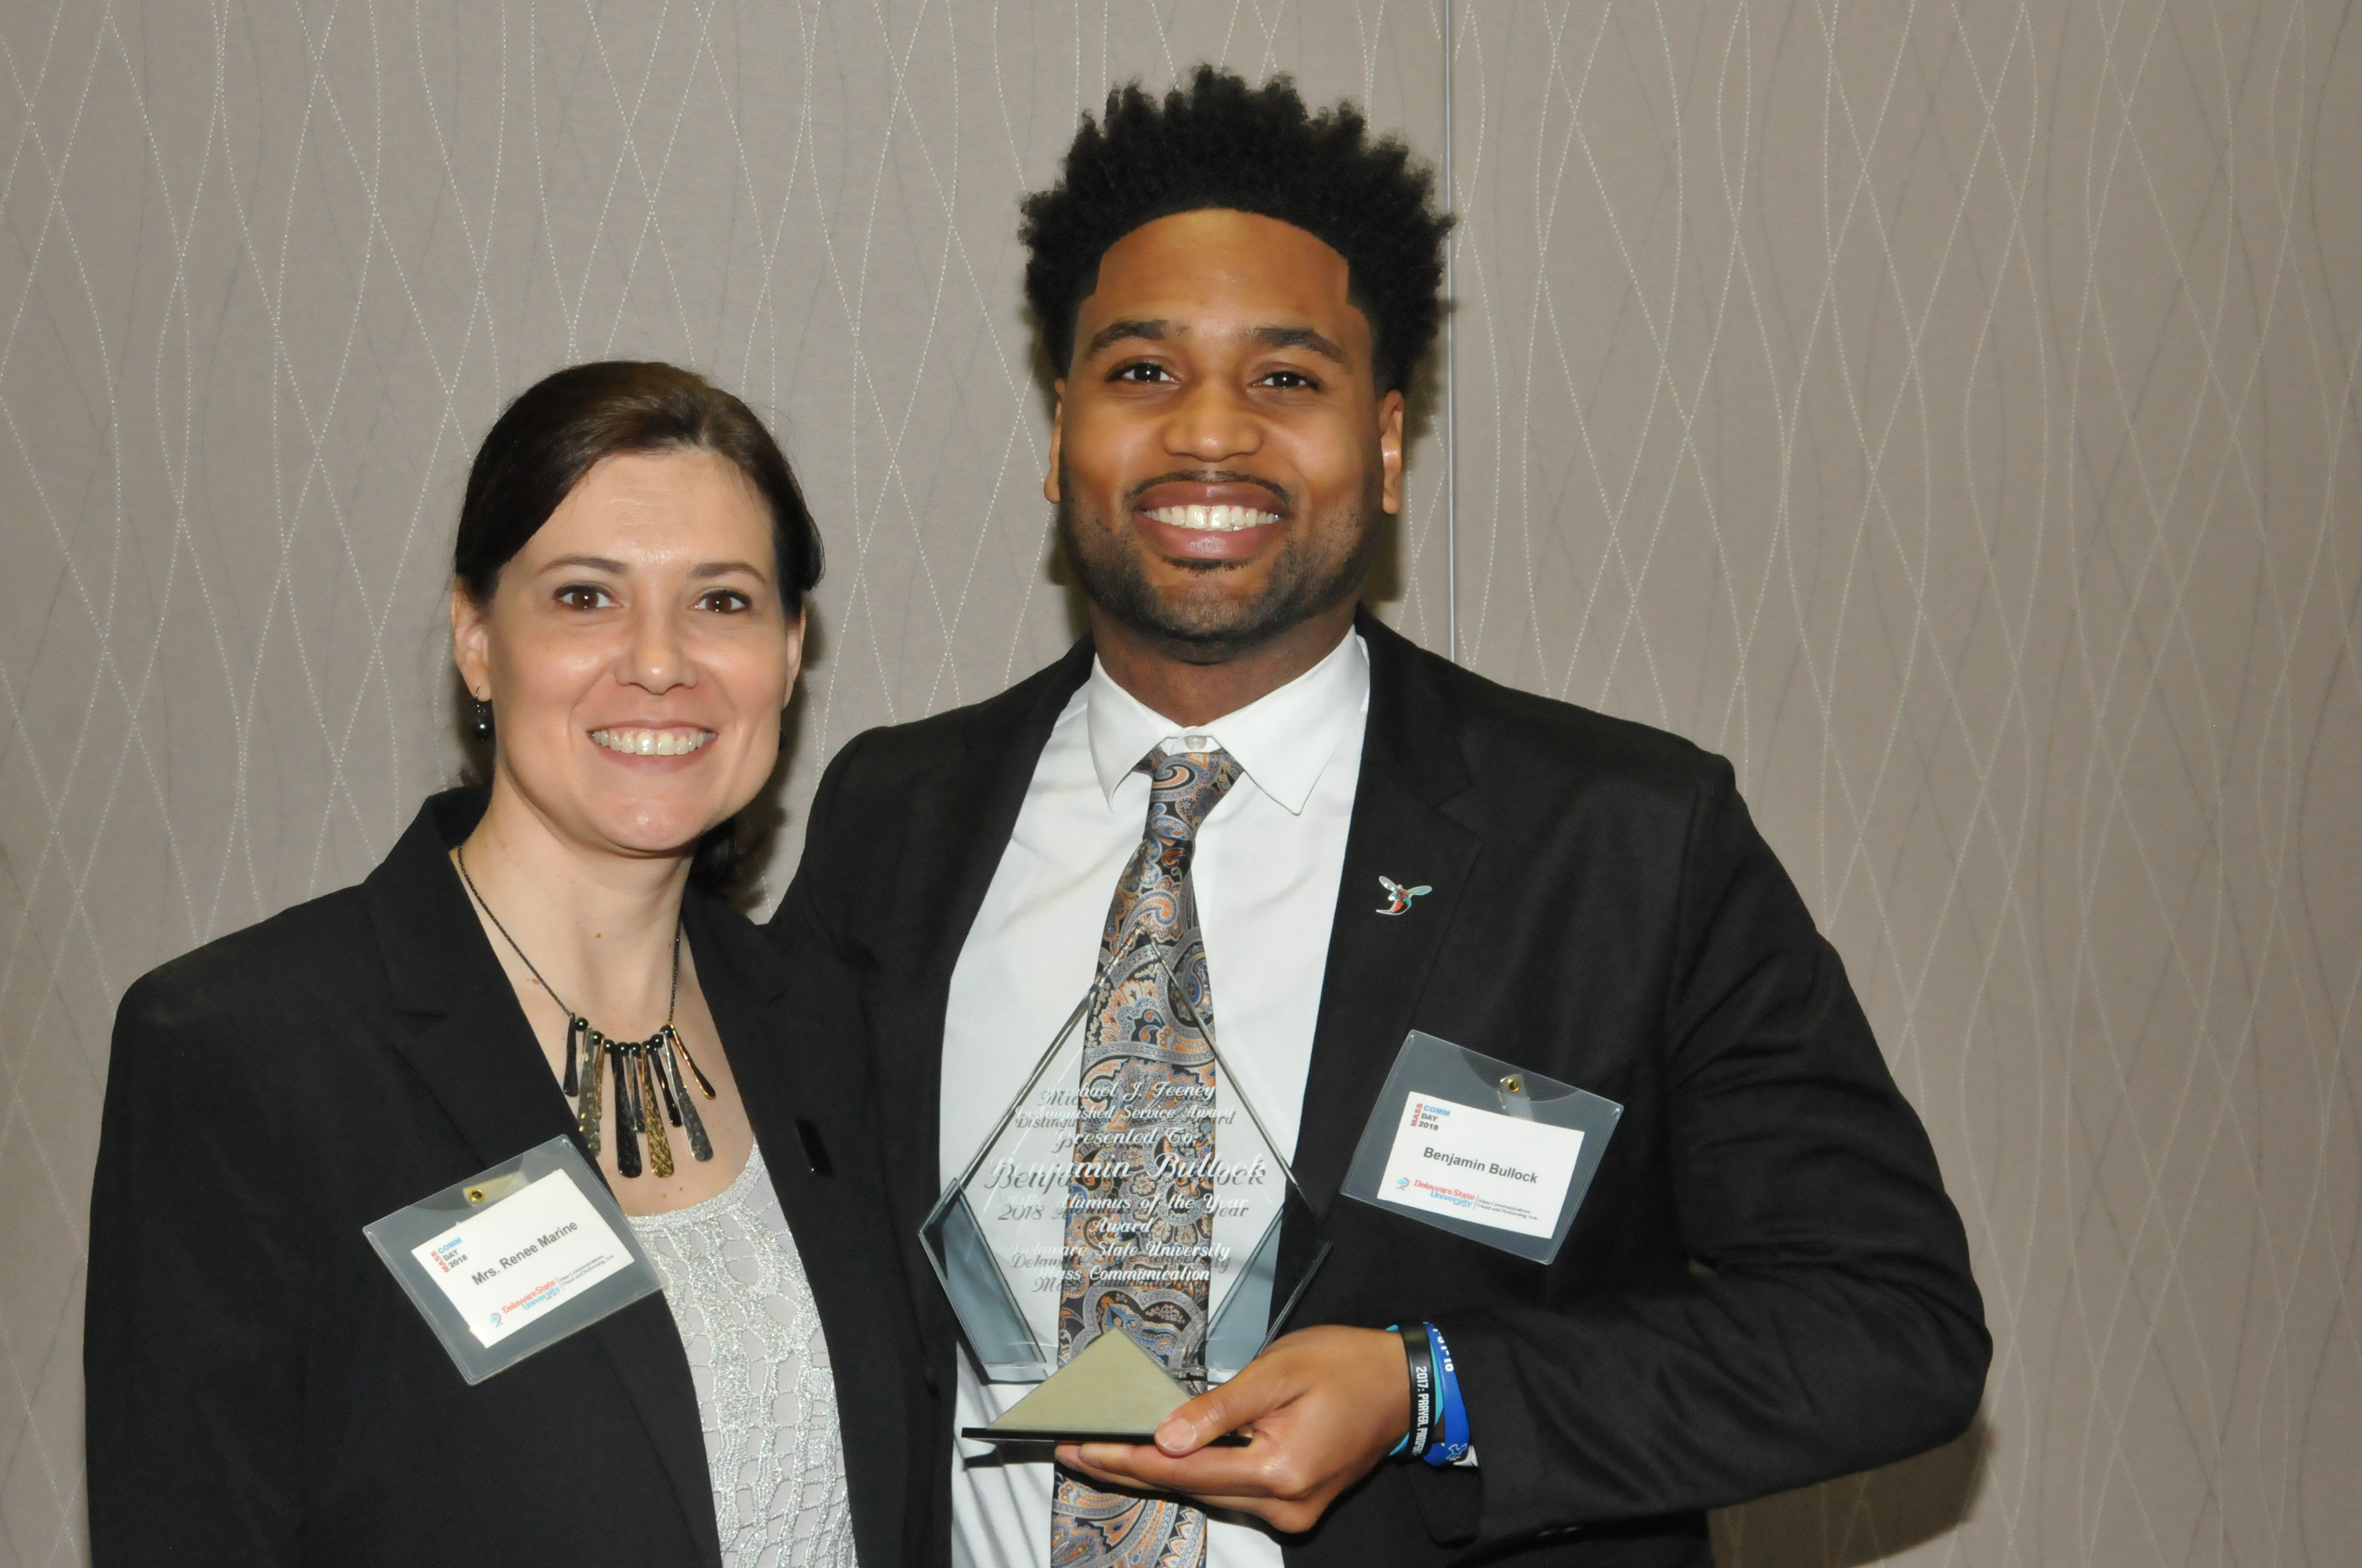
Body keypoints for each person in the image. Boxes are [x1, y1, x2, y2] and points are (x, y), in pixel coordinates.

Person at [777, 69, 1991, 1568]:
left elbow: (1889, 1329)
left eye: (1286, 378)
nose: (1207, 436)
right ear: (1058, 430)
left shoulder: (1617, 839)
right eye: (1141, 371)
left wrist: (1430, 1388)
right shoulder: (892, 818)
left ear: (1390, 442)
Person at [86, 361, 931, 1567]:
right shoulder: (251, 1052)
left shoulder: (822, 1023)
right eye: (585, 597)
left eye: (723, 602)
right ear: (477, 640)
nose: (657, 661)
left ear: (790, 653)